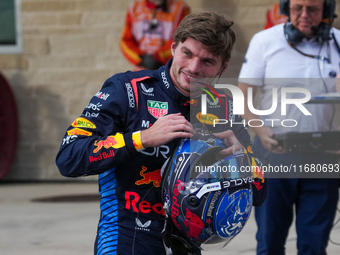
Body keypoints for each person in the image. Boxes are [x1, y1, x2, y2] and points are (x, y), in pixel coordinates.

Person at [56, 11, 265, 255]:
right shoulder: (128, 90)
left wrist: (242, 161)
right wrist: (143, 138)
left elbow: (259, 194)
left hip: (188, 246)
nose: (194, 68)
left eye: (208, 61)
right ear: (174, 47)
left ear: (223, 66)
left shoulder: (224, 106)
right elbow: (68, 157)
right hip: (126, 240)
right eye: (187, 54)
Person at [238, 0, 340, 254]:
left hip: (324, 156)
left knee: (314, 245)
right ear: (286, 8)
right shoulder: (265, 41)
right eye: (297, 8)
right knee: (270, 242)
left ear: (326, 10)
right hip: (275, 153)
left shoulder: (338, 42)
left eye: (313, 9)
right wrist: (260, 130)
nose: (304, 15)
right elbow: (244, 98)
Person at [120, 0, 190, 70]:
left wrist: (159, 57)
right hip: (141, 70)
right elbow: (125, 41)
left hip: (168, 69)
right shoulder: (134, 8)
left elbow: (182, 40)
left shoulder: (180, 8)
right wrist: (141, 58)